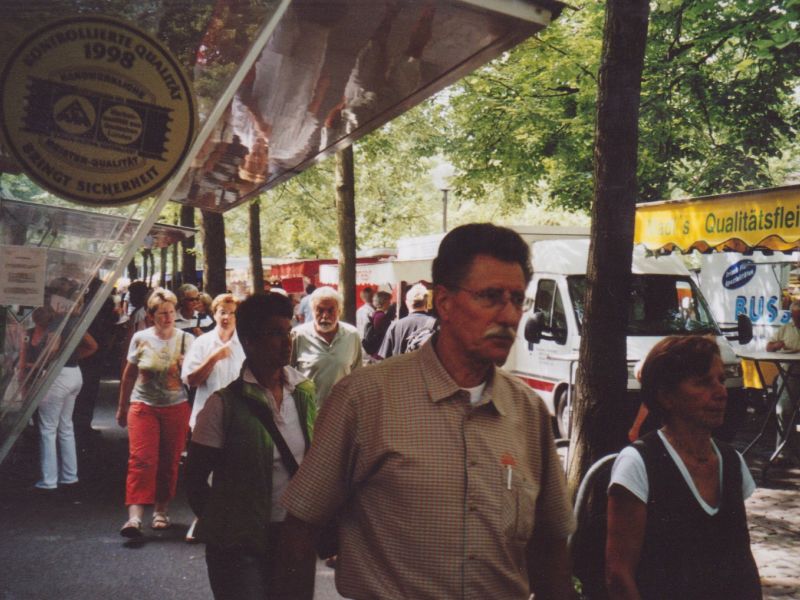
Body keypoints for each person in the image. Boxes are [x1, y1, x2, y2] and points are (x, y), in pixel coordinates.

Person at [282, 223, 575, 600]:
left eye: (517, 299)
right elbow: (301, 527)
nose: (508, 315)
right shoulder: (365, 399)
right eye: (490, 297)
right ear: (445, 302)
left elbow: (550, 548)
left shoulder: (529, 412)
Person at [606, 335, 762, 600]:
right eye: (703, 383)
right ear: (666, 397)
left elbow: (742, 563)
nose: (720, 392)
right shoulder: (640, 463)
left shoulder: (732, 461)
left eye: (721, 381)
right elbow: (619, 575)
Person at [185, 293, 317, 600]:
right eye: (275, 333)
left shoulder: (304, 393)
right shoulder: (223, 406)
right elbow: (194, 479)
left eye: (288, 332)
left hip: (293, 538)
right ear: (249, 340)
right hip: (239, 546)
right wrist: (223, 529)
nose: (286, 342)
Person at [117, 288, 194, 537]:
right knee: (141, 460)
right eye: (162, 313)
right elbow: (129, 374)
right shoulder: (141, 338)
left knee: (169, 461)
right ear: (151, 315)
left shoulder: (186, 339)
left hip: (176, 406)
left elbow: (195, 378)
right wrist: (122, 406)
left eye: (171, 312)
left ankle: (161, 510)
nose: (168, 317)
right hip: (143, 406)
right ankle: (135, 518)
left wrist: (187, 368)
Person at [33, 283, 99, 492]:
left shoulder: (57, 322)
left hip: (58, 375)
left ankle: (49, 479)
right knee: (66, 427)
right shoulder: (76, 321)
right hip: (74, 373)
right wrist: (72, 356)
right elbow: (93, 346)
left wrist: (45, 361)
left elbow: (52, 348)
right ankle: (70, 475)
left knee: (47, 429)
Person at [181, 293, 246, 430]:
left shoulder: (245, 344)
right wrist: (213, 358)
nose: (227, 317)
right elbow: (191, 381)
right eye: (222, 312)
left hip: (239, 418)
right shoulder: (201, 343)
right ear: (214, 314)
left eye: (232, 313)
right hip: (207, 418)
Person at [291, 286, 361, 407]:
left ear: (339, 311)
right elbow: (287, 373)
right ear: (312, 311)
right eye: (320, 310)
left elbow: (358, 375)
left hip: (342, 410)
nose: (325, 316)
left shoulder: (352, 335)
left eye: (330, 311)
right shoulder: (298, 335)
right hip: (308, 412)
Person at [766, 300, 800, 456]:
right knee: (783, 411)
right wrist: (776, 345)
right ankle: (782, 452)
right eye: (794, 316)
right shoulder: (785, 329)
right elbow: (768, 347)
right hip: (788, 375)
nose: (796, 319)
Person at [378, 282, 436, 358]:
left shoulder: (395, 326)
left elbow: (385, 358)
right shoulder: (436, 324)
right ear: (426, 303)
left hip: (401, 369)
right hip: (427, 369)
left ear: (407, 303)